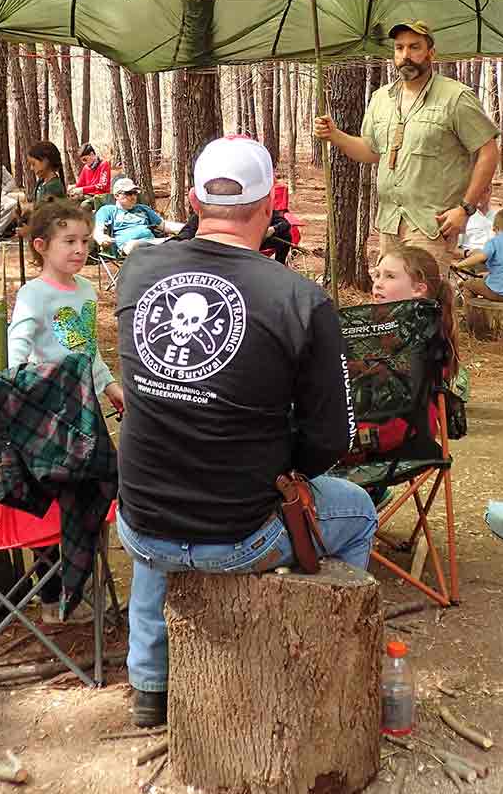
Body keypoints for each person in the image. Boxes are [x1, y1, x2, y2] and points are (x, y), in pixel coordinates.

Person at [115, 136, 377, 728]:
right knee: (356, 511)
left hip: (140, 526)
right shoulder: (301, 299)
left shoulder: (137, 270)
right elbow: (332, 438)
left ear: (190, 201)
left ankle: (151, 684)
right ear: (269, 209)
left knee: (164, 488)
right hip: (240, 537)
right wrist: (284, 465)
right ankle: (323, 678)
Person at [7, 199, 124, 622]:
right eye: (69, 241)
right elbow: (17, 352)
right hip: (48, 414)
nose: (79, 249)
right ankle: (53, 593)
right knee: (51, 500)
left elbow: (86, 351)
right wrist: (26, 386)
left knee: (91, 495)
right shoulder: (33, 294)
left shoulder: (87, 291)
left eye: (85, 241)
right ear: (41, 245)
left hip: (87, 412)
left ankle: (82, 584)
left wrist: (110, 386)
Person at [314, 20, 499, 271]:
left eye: (414, 47)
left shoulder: (455, 97)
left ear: (431, 53)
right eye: (399, 48)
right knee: (394, 300)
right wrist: (335, 135)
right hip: (390, 223)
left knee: (426, 302)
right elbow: (371, 151)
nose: (405, 56)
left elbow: (488, 152)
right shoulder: (381, 99)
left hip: (432, 225)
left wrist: (465, 209)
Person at [370, 242, 458, 453]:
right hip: (368, 427)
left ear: (418, 289)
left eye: (390, 276)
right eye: (377, 275)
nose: (378, 284)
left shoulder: (427, 335)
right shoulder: (374, 329)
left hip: (401, 431)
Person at [452, 208, 503, 302]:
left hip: (500, 292)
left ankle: (470, 314)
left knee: (468, 285)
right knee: (485, 281)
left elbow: (480, 257)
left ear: (494, 228)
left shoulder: (494, 242)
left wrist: (460, 265)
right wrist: (489, 274)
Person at [93, 178, 164, 255]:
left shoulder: (143, 208)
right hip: (131, 245)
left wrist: (179, 230)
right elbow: (98, 230)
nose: (133, 196)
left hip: (153, 242)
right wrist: (101, 238)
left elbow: (163, 225)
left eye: (135, 193)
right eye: (129, 193)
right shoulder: (108, 210)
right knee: (135, 246)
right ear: (117, 195)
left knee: (174, 242)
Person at [14, 141, 67, 233]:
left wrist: (29, 231)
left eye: (33, 164)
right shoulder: (41, 182)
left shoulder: (53, 187)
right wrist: (25, 210)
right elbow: (38, 205)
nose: (31, 168)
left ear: (46, 161)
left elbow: (49, 220)